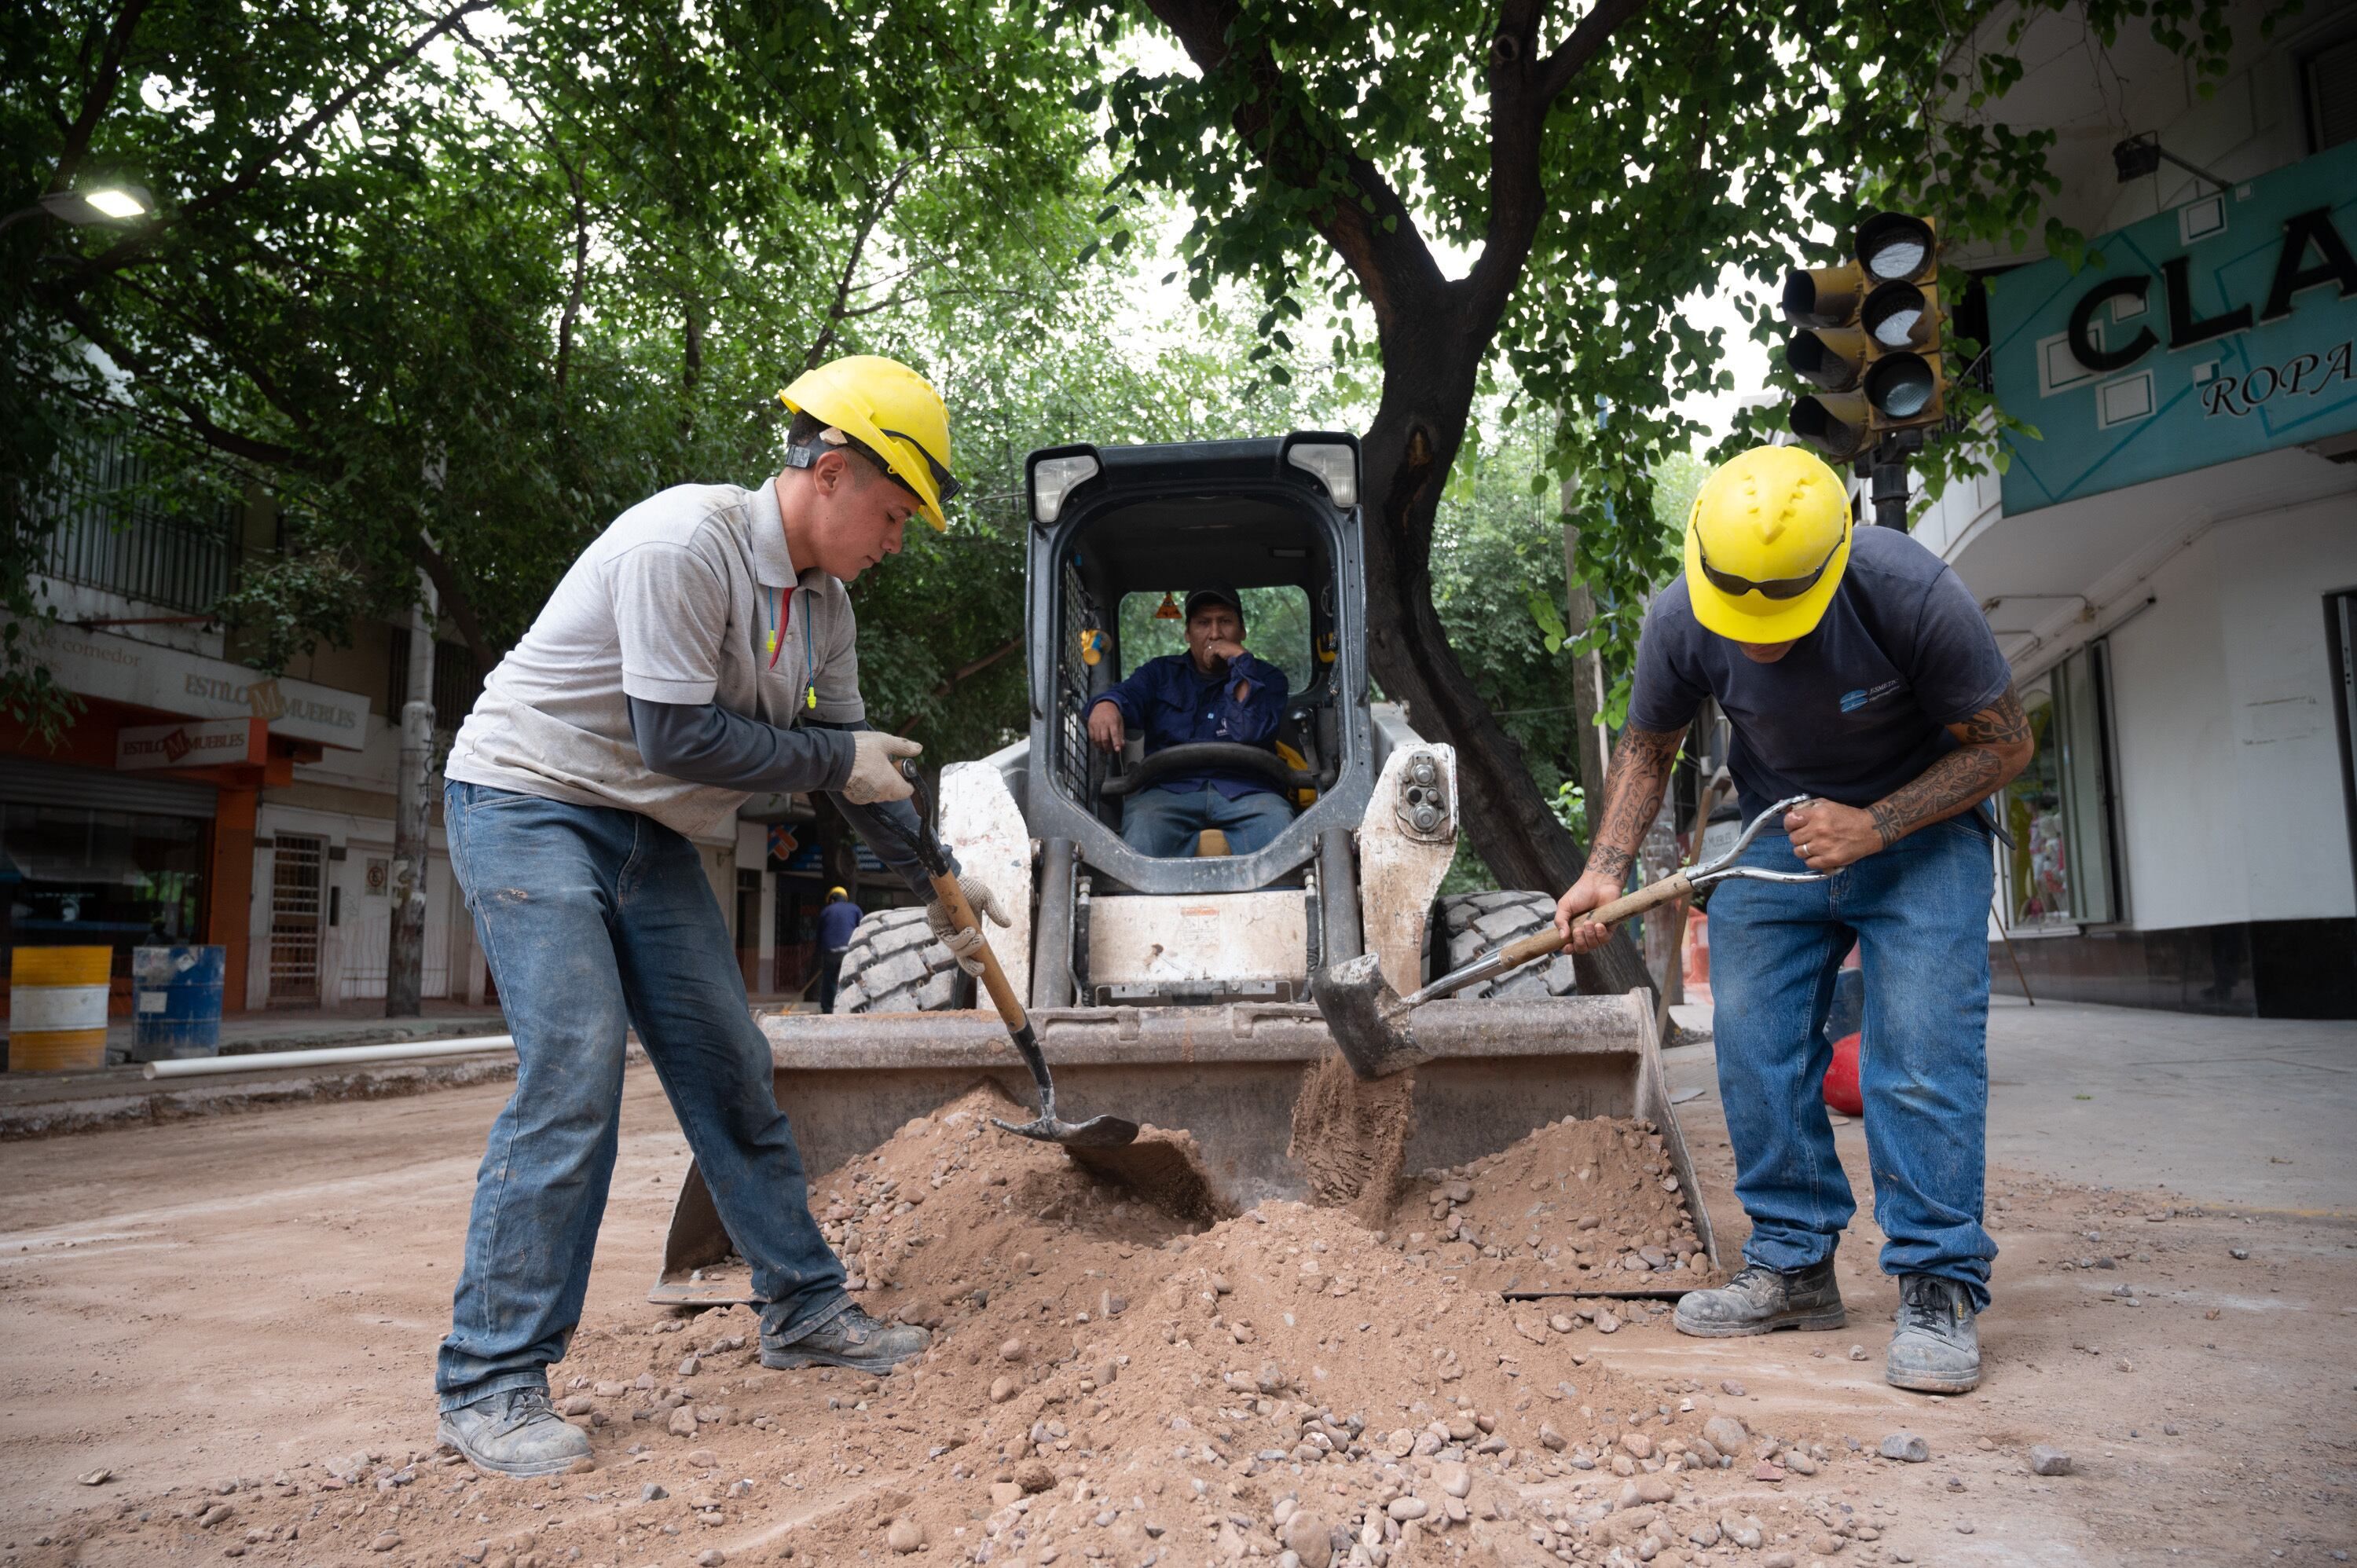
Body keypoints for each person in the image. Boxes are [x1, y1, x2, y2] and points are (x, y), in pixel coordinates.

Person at [432, 355, 1009, 1477]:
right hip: (527, 801)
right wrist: (836, 758)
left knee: (731, 1064)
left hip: (647, 831)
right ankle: (490, 1380)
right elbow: (677, 735)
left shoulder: (826, 608)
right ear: (831, 474)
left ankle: (805, 1308)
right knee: (576, 1069)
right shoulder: (683, 546)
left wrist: (938, 878)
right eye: (895, 515)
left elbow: (857, 770)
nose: (897, 541)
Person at [1555, 444, 2033, 1395]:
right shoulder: (1680, 614)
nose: (1759, 638)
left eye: (1781, 613)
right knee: (1754, 1047)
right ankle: (1794, 1262)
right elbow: (1649, 744)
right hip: (1778, 829)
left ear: (1832, 566)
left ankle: (1938, 1281)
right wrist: (1604, 869)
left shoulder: (1909, 592)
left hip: (1923, 829)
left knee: (1920, 1055)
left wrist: (1877, 824)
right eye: (1741, 614)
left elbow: (2006, 745)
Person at [1085, 586, 1292, 855]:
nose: (1215, 634)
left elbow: (1250, 732)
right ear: (1187, 633)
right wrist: (1106, 705)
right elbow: (1127, 695)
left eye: (1225, 622)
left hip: (1249, 793)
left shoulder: (1270, 678)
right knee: (1144, 821)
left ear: (1242, 631)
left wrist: (1241, 663)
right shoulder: (1160, 673)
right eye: (1203, 623)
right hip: (1169, 792)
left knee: (1278, 821)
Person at [815, 885, 862, 1013]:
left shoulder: (826, 911)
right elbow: (862, 929)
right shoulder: (855, 909)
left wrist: (820, 953)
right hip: (848, 950)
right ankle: (852, 1007)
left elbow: (819, 935)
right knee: (850, 979)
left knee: (829, 979)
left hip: (830, 952)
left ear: (832, 899)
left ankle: (828, 1008)